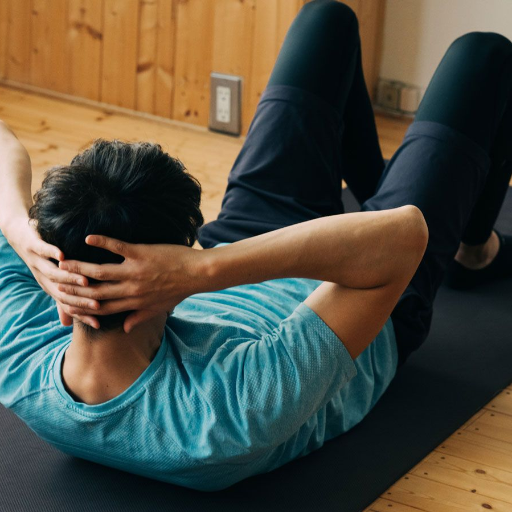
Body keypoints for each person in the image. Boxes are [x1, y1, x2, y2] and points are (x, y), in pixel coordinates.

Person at [0, 0, 511, 492]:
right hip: (361, 290)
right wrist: (200, 272)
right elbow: (404, 236)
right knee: (483, 54)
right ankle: (472, 250)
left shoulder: (22, 350)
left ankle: (400, 187)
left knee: (325, 20)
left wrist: (24, 236)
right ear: (172, 266)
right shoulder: (228, 412)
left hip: (245, 242)